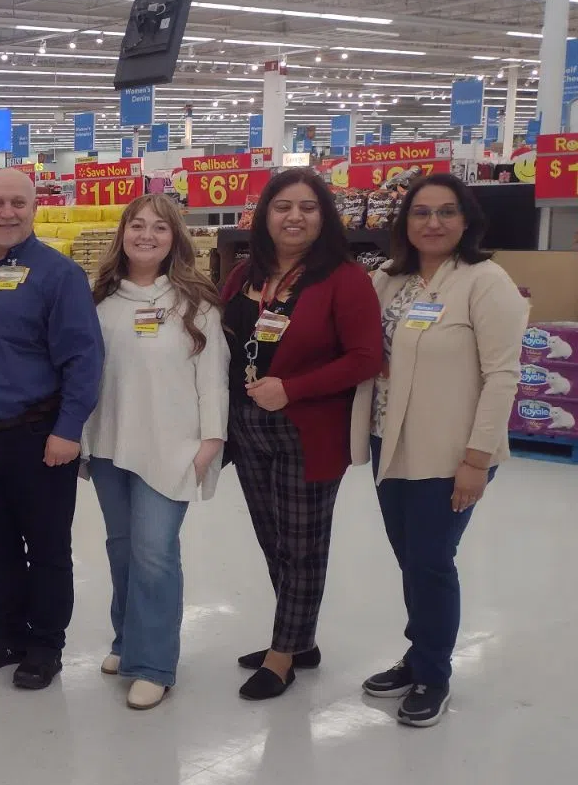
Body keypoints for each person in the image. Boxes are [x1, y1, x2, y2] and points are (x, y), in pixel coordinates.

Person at [350, 175, 526, 727]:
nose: (433, 222)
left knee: (430, 562)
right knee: (412, 560)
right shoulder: (387, 278)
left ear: (466, 220)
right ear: (405, 222)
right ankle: (419, 651)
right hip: (390, 441)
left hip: (451, 450)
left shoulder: (485, 281)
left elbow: (503, 375)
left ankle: (433, 674)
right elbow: (365, 346)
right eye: (421, 212)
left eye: (446, 212)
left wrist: (476, 460)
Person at [222, 168, 383, 700]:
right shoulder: (244, 274)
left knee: (302, 547)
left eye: (308, 207)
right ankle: (299, 639)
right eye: (282, 206)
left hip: (307, 430)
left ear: (324, 217)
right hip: (248, 428)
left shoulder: (344, 278)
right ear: (264, 215)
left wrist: (293, 388)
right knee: (272, 539)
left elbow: (365, 358)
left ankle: (283, 654)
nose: (294, 217)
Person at [0, 167, 104, 691]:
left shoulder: (59, 275)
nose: (6, 213)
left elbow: (84, 359)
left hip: (39, 437)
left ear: (34, 208)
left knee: (47, 545)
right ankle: (6, 633)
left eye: (18, 203)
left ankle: (45, 643)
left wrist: (69, 430)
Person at [81, 195, 226, 710]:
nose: (146, 235)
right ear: (122, 234)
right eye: (137, 225)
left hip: (172, 448)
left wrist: (211, 442)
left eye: (159, 228)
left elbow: (214, 378)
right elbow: (83, 375)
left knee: (154, 554)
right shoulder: (98, 300)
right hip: (108, 447)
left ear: (174, 239)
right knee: (122, 550)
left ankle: (155, 663)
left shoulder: (195, 303)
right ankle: (128, 640)